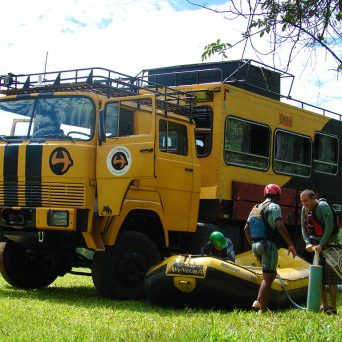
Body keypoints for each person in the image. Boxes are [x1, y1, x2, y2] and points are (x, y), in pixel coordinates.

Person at [244, 183, 296, 313]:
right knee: (268, 279)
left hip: (256, 245)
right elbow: (280, 225)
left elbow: (246, 228)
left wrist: (252, 245)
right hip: (268, 245)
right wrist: (290, 244)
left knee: (270, 275)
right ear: (278, 195)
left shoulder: (255, 207)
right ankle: (263, 309)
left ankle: (258, 302)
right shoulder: (274, 206)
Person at [300, 189, 340, 315]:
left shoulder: (323, 206)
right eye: (302, 201)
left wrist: (322, 244)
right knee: (319, 277)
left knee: (332, 277)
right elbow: (303, 227)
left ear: (313, 198)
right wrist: (308, 243)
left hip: (330, 244)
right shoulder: (304, 209)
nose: (304, 204)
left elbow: (329, 227)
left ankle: (333, 307)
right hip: (317, 245)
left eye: (306, 201)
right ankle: (325, 305)